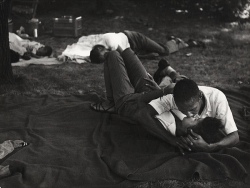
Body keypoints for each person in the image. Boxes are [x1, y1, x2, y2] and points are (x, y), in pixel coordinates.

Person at [90, 45, 239, 155]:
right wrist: (162, 91)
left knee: (114, 55)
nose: (188, 114)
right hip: (151, 93)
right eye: (183, 110)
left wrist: (209, 147)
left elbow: (234, 137)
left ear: (200, 96)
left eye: (192, 110)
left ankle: (111, 101)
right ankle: (164, 73)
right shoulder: (176, 97)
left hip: (133, 101)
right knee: (127, 51)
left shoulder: (215, 99)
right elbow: (152, 103)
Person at [89, 30, 189, 64]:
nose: (108, 56)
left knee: (164, 51)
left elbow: (127, 56)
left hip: (135, 39)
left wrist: (146, 57)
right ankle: (169, 41)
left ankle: (175, 41)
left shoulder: (110, 43)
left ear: (99, 49)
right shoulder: (101, 47)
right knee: (155, 50)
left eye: (105, 55)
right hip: (132, 47)